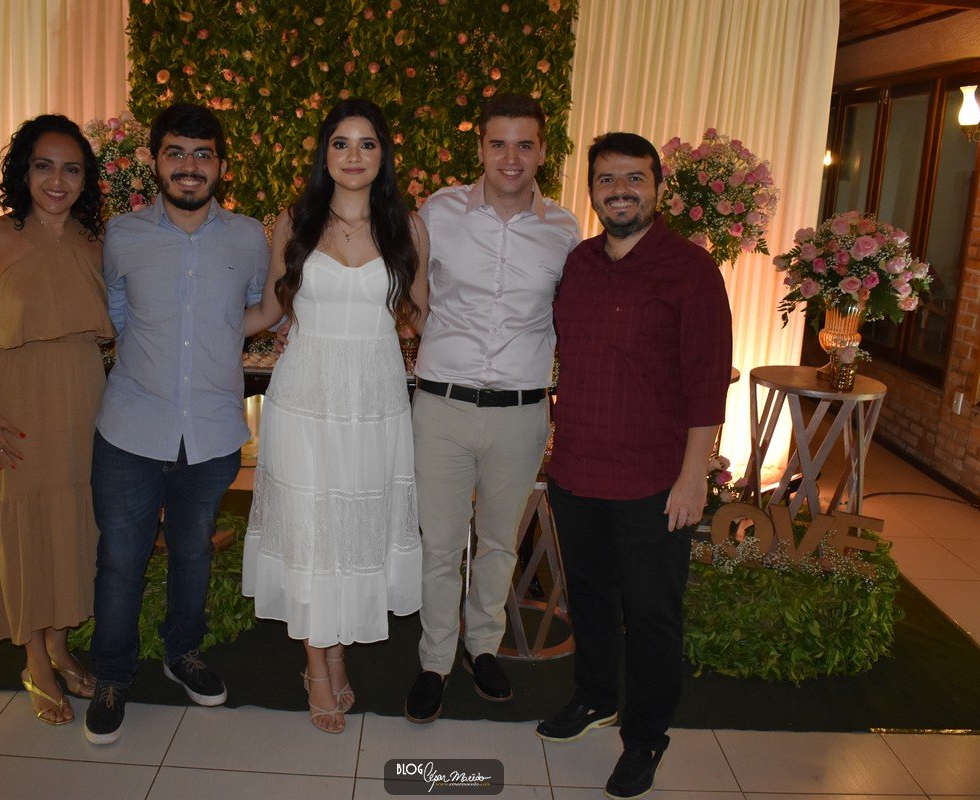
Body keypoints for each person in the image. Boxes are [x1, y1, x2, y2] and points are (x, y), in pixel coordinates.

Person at [536, 132, 732, 799]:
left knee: (651, 614)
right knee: (589, 599)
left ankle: (646, 737)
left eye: (634, 178)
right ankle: (595, 697)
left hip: (653, 481)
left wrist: (693, 476)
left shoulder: (690, 269)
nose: (619, 191)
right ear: (591, 190)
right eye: (606, 180)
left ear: (658, 187)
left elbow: (707, 380)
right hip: (577, 470)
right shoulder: (579, 264)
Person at [83, 103, 269, 745]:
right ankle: (112, 676)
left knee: (192, 551)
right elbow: (116, 313)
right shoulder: (123, 234)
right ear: (156, 161)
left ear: (221, 165)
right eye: (177, 153)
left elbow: (257, 309)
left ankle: (182, 652)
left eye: (203, 154)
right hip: (131, 428)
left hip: (211, 431)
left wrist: (218, 339)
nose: (190, 166)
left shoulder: (248, 237)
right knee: (121, 560)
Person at [242, 98, 428, 734]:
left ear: (383, 155)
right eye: (341, 143)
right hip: (305, 397)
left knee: (357, 529)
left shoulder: (407, 227)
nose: (354, 155)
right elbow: (271, 310)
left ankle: (339, 650)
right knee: (312, 527)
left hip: (375, 399)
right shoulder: (294, 221)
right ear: (325, 154)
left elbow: (420, 315)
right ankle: (317, 666)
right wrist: (199, 333)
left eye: (367, 143)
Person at [405, 93, 580, 723]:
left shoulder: (564, 231)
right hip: (443, 407)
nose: (511, 157)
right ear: (479, 148)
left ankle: (481, 647)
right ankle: (434, 659)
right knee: (439, 544)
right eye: (498, 143)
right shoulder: (439, 211)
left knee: (499, 542)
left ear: (542, 152)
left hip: (520, 412)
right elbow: (412, 294)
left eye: (524, 144)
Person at [0, 114, 115, 725]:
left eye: (71, 169)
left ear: (85, 179)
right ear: (23, 172)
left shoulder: (93, 241)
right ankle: (35, 660)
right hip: (13, 402)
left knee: (69, 522)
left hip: (80, 396)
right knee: (23, 525)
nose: (57, 180)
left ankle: (60, 646)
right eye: (44, 166)